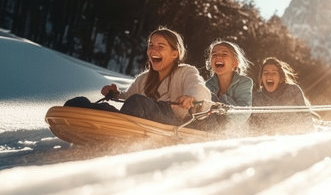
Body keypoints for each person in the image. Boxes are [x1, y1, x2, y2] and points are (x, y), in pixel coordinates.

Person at [65, 27, 211, 127]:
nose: (153, 50)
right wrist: (115, 93)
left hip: (172, 122)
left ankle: (116, 125)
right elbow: (128, 97)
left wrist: (191, 97)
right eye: (151, 45)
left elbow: (198, 87)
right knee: (79, 102)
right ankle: (79, 113)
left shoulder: (185, 72)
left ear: (175, 54)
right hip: (138, 119)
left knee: (138, 102)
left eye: (160, 46)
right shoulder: (144, 78)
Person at [248, 57, 314, 134]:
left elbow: (306, 116)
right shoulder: (256, 98)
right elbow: (251, 126)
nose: (269, 76)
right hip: (266, 140)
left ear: (281, 78)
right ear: (261, 78)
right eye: (265, 73)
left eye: (274, 73)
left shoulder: (292, 90)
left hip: (292, 137)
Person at [200, 40, 253, 132]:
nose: (218, 57)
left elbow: (242, 115)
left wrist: (221, 102)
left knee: (212, 98)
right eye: (214, 55)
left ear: (235, 63)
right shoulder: (207, 85)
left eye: (224, 54)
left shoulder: (244, 82)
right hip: (211, 133)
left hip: (237, 134)